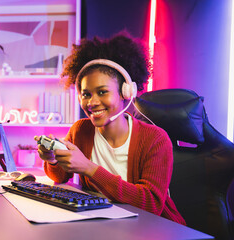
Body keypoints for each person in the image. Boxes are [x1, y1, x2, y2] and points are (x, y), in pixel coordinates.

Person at [34, 30, 186, 225]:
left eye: (102, 92)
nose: (92, 102)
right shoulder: (81, 130)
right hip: (105, 225)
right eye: (86, 94)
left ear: (125, 91)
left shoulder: (155, 139)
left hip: (153, 229)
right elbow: (60, 176)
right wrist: (53, 159)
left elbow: (150, 204)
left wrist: (89, 168)